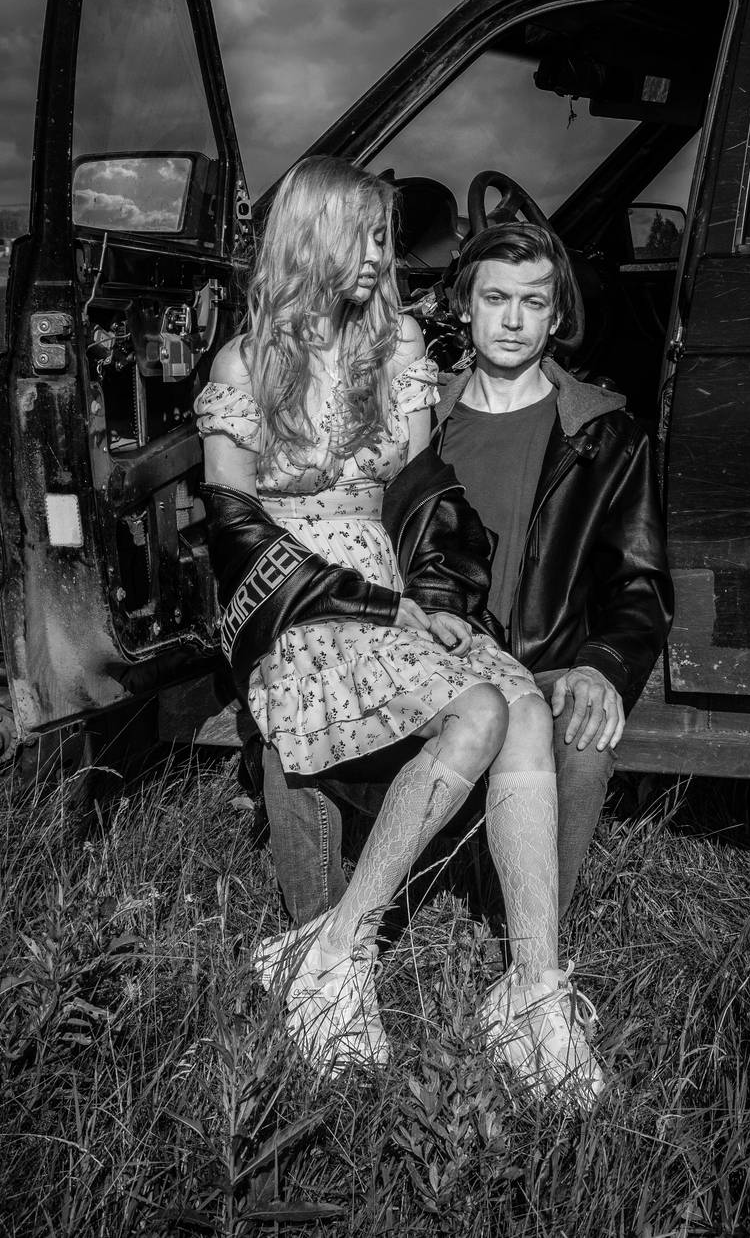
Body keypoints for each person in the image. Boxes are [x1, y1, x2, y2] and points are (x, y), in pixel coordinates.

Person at [195, 158, 602, 1106]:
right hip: (295, 604)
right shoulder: (243, 364)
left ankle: (533, 989)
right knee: (477, 714)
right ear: (313, 239)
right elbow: (235, 531)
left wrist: (438, 597)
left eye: (386, 237)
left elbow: (424, 496)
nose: (384, 256)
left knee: (520, 709)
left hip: (392, 592)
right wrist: (376, 606)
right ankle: (338, 953)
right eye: (368, 237)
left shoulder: (400, 346)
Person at [261, 218, 673, 939]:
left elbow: (640, 581)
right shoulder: (413, 422)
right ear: (463, 305)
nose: (513, 320)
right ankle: (322, 944)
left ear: (557, 316)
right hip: (430, 657)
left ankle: (531, 951)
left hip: (544, 662)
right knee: (291, 717)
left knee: (581, 737)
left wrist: (603, 665)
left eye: (533, 302)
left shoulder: (606, 435)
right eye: (495, 298)